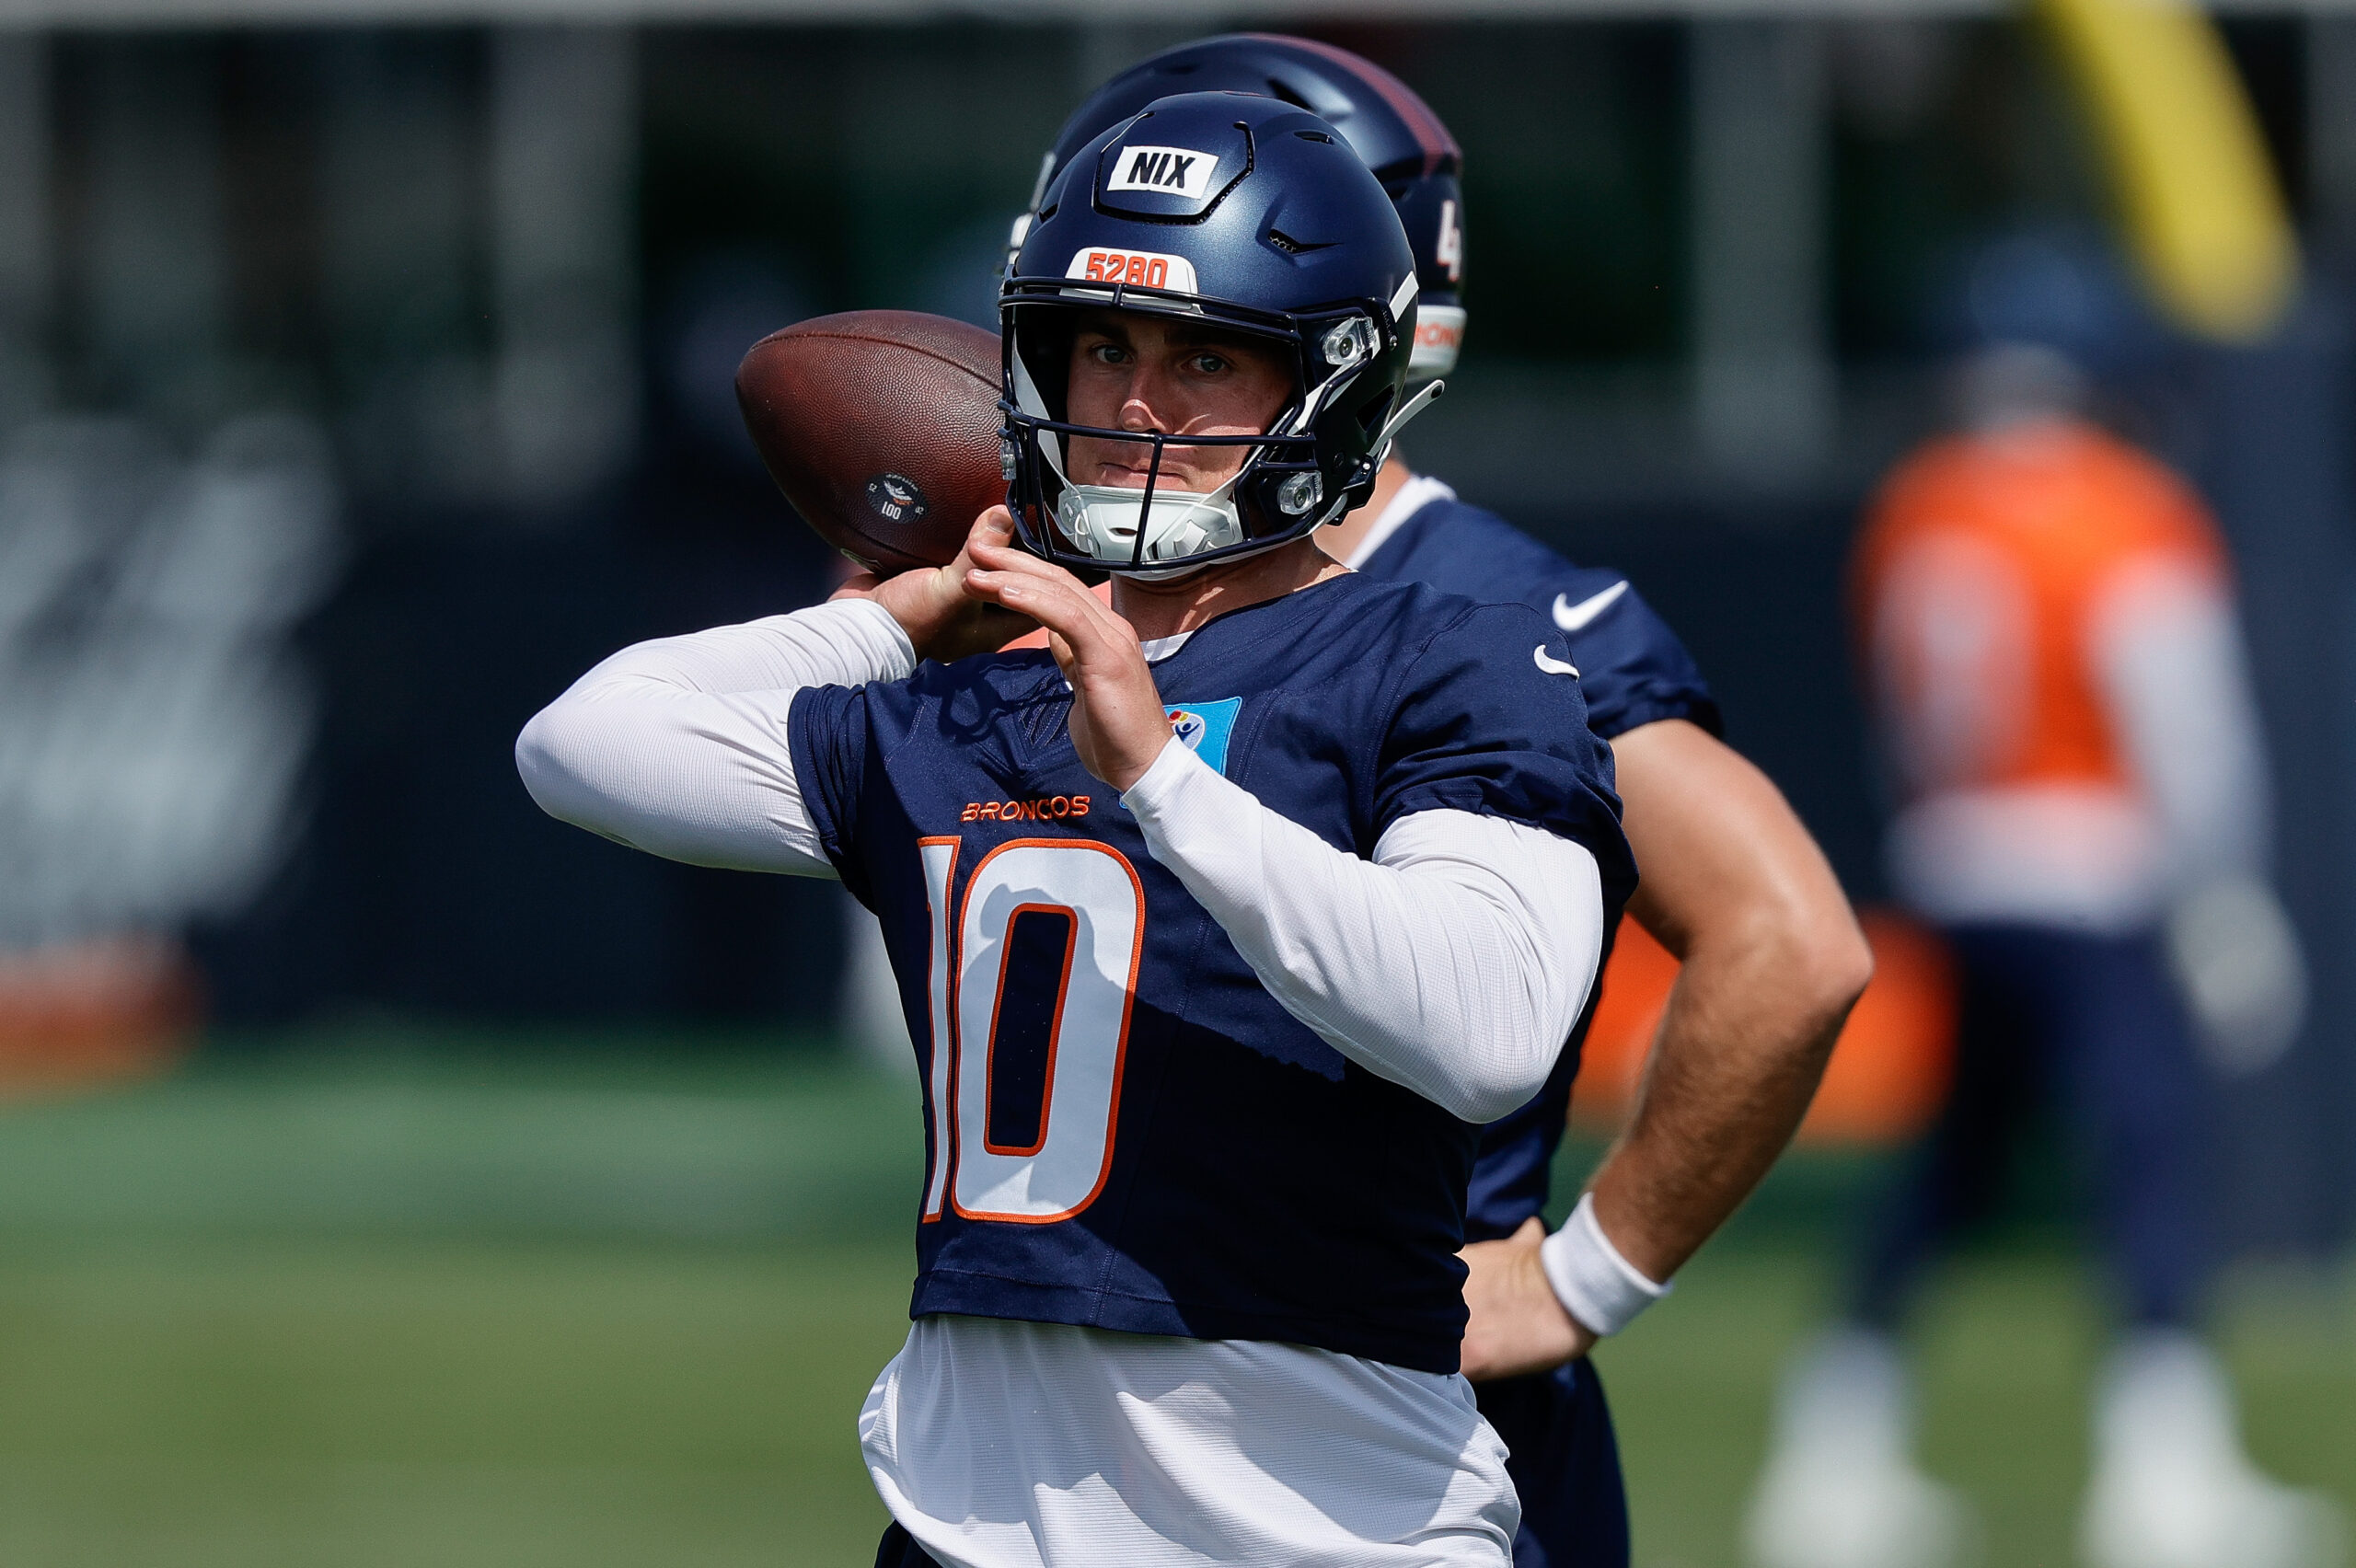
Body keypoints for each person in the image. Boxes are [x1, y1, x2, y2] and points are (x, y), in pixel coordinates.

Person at [522, 92, 1636, 1566]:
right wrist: (896, 621)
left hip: (1325, 1535)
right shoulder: (983, 695)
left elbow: (1488, 1031)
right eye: (1102, 347)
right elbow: (582, 743)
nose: (1136, 405)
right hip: (972, 1532)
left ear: (1334, 381)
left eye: (1205, 357)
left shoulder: (1446, 658)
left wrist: (1164, 779)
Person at [1024, 37, 1876, 1567]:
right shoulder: (1083, 587)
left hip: (1399, 1430)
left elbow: (1790, 944)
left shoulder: (1493, 615)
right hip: (1097, 1401)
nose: (1132, 363)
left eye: (1193, 333)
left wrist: (1579, 1279)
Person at [1743, 341, 2338, 1568]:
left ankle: (1829, 1449)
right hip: (2096, 863)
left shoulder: (1922, 501)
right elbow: (2182, 716)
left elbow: (1900, 708)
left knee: (1956, 1161)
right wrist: (2222, 894)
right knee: (2151, 1154)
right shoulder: (2123, 508)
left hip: (1961, 859)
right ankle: (2163, 1475)